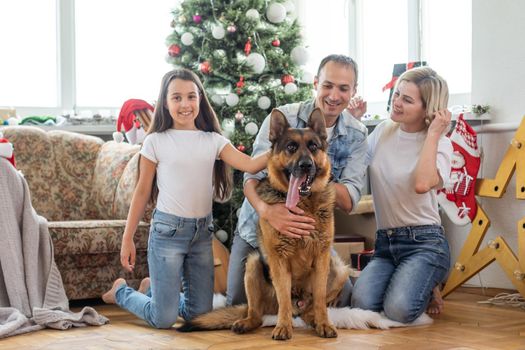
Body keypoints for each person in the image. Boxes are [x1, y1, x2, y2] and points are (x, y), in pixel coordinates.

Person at [101, 68, 269, 329]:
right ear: (165, 103)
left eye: (191, 96)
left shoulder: (213, 140)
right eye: (176, 97)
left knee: (198, 315)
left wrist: (283, 146)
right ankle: (122, 291)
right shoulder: (155, 141)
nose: (185, 104)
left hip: (201, 236)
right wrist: (127, 238)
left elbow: (250, 164)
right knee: (163, 319)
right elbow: (142, 191)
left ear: (200, 100)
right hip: (167, 234)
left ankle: (153, 291)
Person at [226, 54, 369, 307]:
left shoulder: (357, 134)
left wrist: (313, 173)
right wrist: (267, 211)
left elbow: (349, 200)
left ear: (353, 90)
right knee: (240, 304)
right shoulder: (284, 118)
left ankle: (303, 296)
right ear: (316, 82)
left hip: (310, 235)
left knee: (344, 297)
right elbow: (251, 176)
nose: (334, 96)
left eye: (343, 88)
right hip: (258, 228)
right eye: (328, 85)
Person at [350, 66, 453, 323]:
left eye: (407, 100)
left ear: (427, 109)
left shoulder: (441, 144)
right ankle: (417, 281)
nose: (396, 103)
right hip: (386, 242)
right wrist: (353, 123)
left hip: (425, 243)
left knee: (399, 310)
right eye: (397, 94)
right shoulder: (383, 131)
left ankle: (429, 283)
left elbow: (422, 183)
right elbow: (355, 165)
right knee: (361, 304)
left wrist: (432, 134)